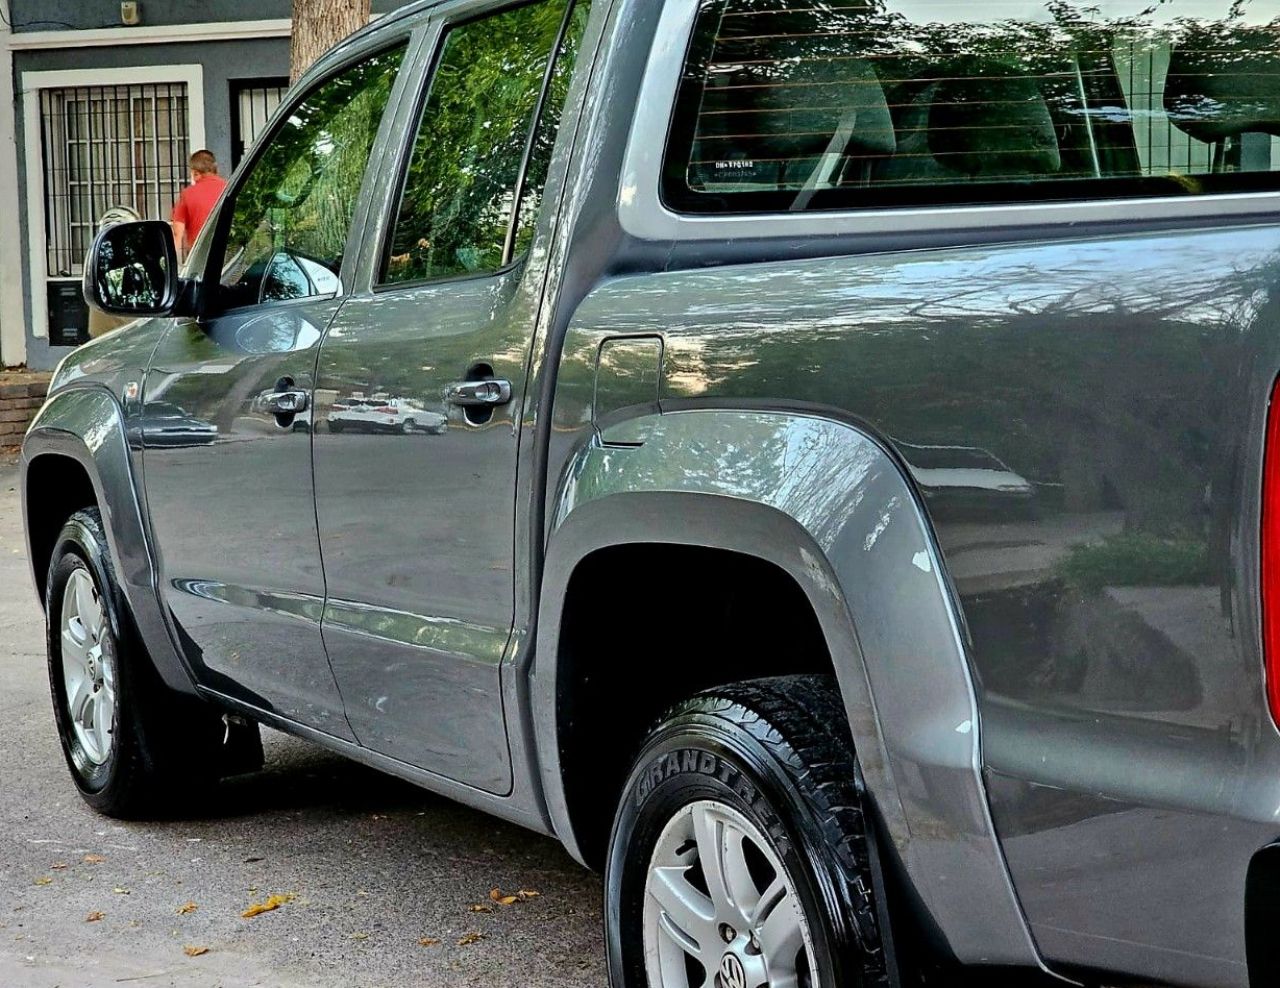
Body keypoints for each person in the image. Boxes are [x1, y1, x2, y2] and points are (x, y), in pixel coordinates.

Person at [170, 149, 227, 257]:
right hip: (230, 254)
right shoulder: (229, 189)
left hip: (199, 256)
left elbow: (177, 233)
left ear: (195, 172)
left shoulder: (187, 194)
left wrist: (168, 262)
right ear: (215, 168)